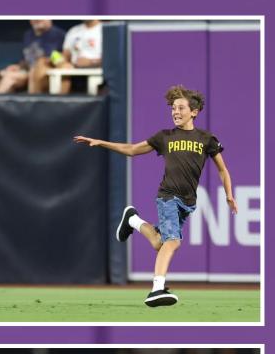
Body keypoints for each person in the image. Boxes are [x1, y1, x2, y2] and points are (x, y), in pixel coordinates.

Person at [74, 85, 235, 307]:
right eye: (173, 108)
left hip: (188, 203)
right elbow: (131, 150)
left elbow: (222, 170)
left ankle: (133, 220)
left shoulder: (207, 139)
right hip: (168, 196)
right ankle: (157, 290)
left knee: (160, 243)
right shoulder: (164, 136)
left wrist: (229, 194)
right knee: (173, 242)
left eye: (180, 108)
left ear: (194, 111)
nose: (175, 112)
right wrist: (101, 142)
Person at [0, 20, 65, 94]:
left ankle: (32, 104)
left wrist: (42, 65)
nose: (37, 19)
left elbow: (60, 59)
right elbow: (26, 58)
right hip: (27, 71)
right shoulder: (28, 35)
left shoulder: (58, 34)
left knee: (33, 71)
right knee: (9, 75)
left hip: (46, 72)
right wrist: (18, 66)